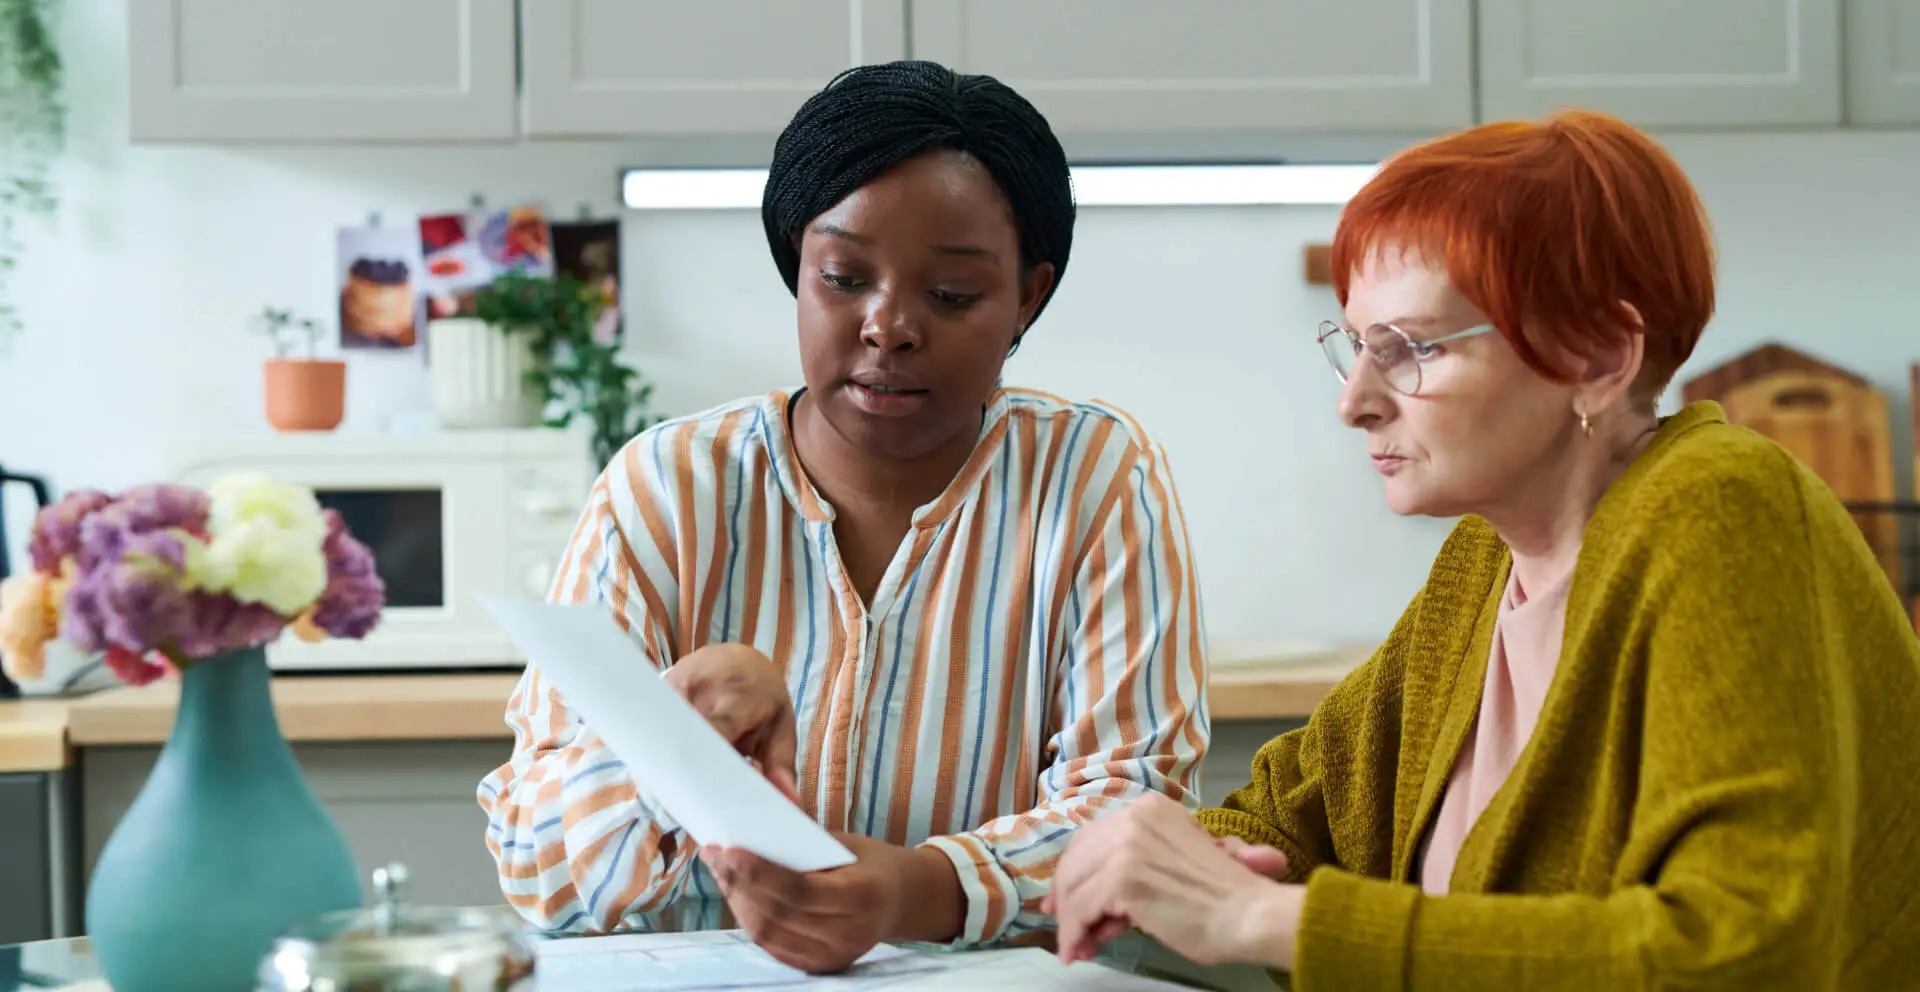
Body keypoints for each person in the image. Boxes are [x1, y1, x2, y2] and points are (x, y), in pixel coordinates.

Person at [1045, 109, 1920, 988]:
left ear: (1599, 357)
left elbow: (1738, 952)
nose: (1355, 402)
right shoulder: (1487, 559)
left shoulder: (1721, 508)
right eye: (1355, 347)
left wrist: (1259, 917)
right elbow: (1294, 816)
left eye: (1413, 348)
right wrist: (1164, 856)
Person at [477, 60, 1209, 974]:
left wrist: (917, 889)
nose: (889, 326)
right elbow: (532, 866)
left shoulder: (1094, 477)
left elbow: (1135, 809)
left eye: (951, 296)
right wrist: (675, 739)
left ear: (1027, 296)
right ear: (797, 269)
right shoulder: (665, 486)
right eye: (843, 277)